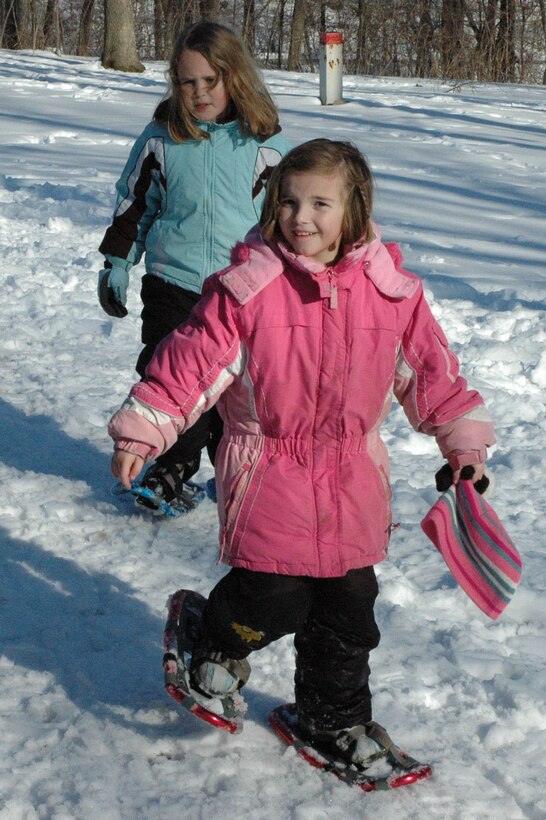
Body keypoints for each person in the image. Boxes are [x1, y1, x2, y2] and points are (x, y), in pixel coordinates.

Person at [108, 139, 495, 769]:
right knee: (274, 593)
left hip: (352, 480)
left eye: (320, 202)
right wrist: (145, 427)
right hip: (269, 472)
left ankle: (332, 718)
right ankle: (210, 638)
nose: (301, 217)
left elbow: (432, 376)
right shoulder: (249, 289)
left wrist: (464, 446)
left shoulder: (392, 294)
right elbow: (189, 365)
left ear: (356, 209)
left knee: (348, 610)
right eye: (289, 200)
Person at [98, 21, 290, 511]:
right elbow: (134, 204)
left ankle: (238, 473)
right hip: (172, 282)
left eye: (211, 80)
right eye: (188, 82)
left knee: (234, 391)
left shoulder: (262, 144)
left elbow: (286, 220)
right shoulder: (162, 138)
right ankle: (170, 467)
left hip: (239, 291)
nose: (199, 92)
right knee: (166, 372)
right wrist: (118, 261)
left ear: (235, 78)